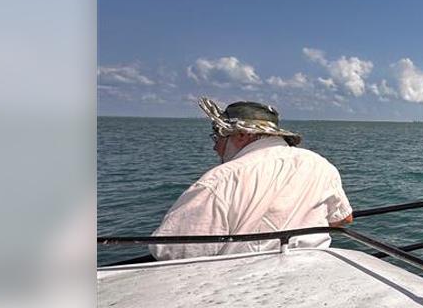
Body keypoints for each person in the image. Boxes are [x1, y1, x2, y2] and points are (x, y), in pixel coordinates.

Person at [150, 97, 353, 260]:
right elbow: (344, 219)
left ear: (241, 135)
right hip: (315, 271)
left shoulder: (221, 180)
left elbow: (169, 250)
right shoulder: (319, 164)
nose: (215, 147)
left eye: (218, 137)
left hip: (245, 283)